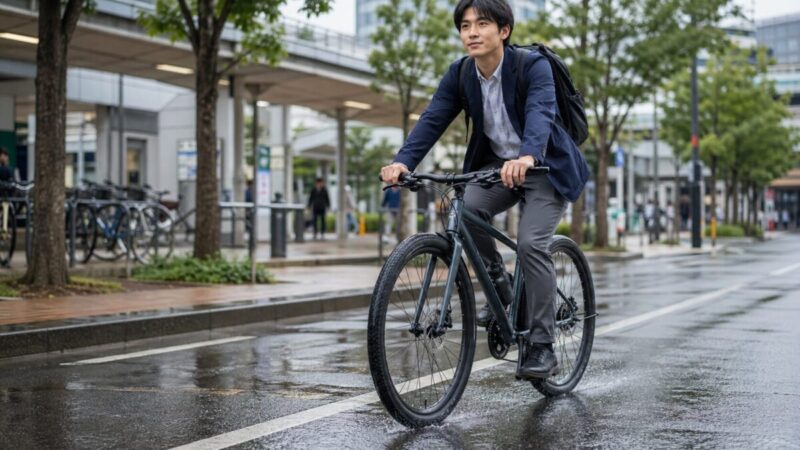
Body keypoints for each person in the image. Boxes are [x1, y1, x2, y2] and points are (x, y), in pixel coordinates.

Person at [380, 0, 589, 381]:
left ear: (504, 31)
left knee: (530, 244)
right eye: (464, 26)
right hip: (496, 167)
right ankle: (501, 289)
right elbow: (433, 118)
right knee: (464, 211)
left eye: (482, 24)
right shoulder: (460, 74)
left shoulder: (531, 65)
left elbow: (542, 111)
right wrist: (403, 162)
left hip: (543, 167)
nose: (472, 32)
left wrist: (527, 155)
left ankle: (541, 346)